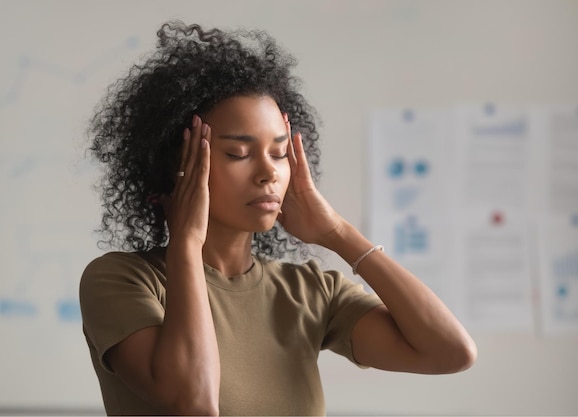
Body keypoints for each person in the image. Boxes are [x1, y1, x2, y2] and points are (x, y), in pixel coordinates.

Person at [79, 21, 477, 416]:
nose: (269, 172)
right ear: (172, 169)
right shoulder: (121, 280)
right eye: (238, 153)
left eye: (280, 152)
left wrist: (338, 234)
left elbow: (450, 353)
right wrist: (186, 244)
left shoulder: (308, 291)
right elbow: (194, 401)